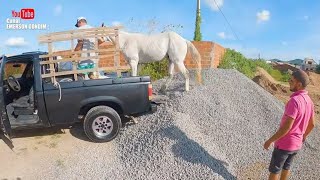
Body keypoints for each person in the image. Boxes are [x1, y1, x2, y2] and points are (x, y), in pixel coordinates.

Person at [264, 70, 315, 180]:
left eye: (291, 81)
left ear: (299, 84)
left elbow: (286, 128)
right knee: (286, 167)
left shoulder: (294, 101)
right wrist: (303, 136)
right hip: (296, 145)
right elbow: (312, 124)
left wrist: (270, 140)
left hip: (284, 144)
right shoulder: (309, 101)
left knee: (275, 170)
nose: (288, 82)